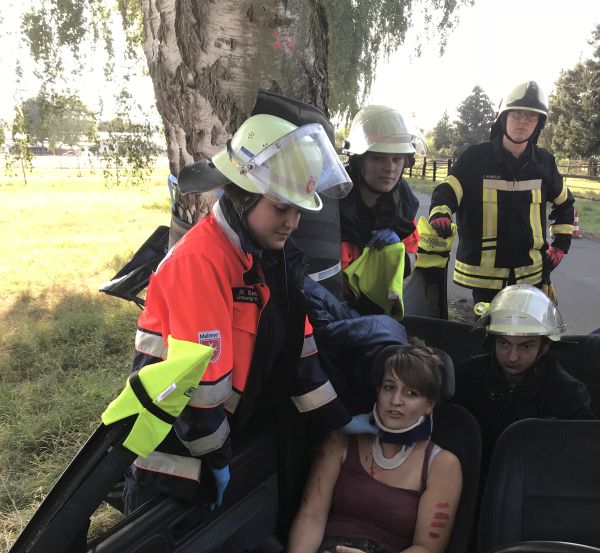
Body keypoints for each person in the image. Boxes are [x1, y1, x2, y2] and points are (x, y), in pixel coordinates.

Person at [123, 114, 356, 513]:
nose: (292, 223)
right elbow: (200, 387)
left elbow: (298, 351)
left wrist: (339, 419)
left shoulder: (269, 257)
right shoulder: (201, 262)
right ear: (243, 195)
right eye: (281, 207)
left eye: (300, 210)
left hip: (222, 440)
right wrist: (216, 460)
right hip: (175, 456)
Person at [198, 341, 463, 553]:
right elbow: (312, 515)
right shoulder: (342, 440)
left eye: (411, 393)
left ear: (429, 404)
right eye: (389, 387)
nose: (396, 400)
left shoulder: (441, 464)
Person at [428, 81, 575, 308]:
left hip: (532, 275)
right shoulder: (475, 159)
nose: (523, 122)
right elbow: (447, 190)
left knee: (528, 328)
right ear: (503, 117)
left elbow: (565, 203)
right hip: (485, 278)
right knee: (490, 329)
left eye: (531, 116)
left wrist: (560, 245)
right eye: (517, 114)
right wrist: (441, 212)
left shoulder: (544, 163)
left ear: (539, 123)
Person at [453, 285, 595, 472]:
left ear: (544, 347)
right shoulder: (466, 377)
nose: (512, 357)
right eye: (504, 343)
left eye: (526, 346)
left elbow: (580, 459)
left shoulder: (568, 395)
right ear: (492, 341)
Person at [338, 105, 424, 315]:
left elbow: (412, 261)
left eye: (397, 159)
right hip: (331, 311)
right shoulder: (334, 203)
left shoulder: (403, 210)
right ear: (359, 160)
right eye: (378, 158)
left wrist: (397, 252)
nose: (390, 168)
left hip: (377, 315)